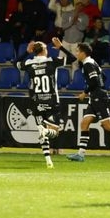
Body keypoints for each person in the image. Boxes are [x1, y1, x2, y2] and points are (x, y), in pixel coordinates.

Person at [15, 38, 74, 168]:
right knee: (55, 130)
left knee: (41, 130)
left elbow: (16, 63)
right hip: (52, 101)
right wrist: (61, 47)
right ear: (44, 50)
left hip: (36, 101)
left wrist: (26, 52)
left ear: (34, 51)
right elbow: (72, 58)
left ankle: (48, 161)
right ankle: (45, 133)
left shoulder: (29, 63)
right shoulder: (51, 61)